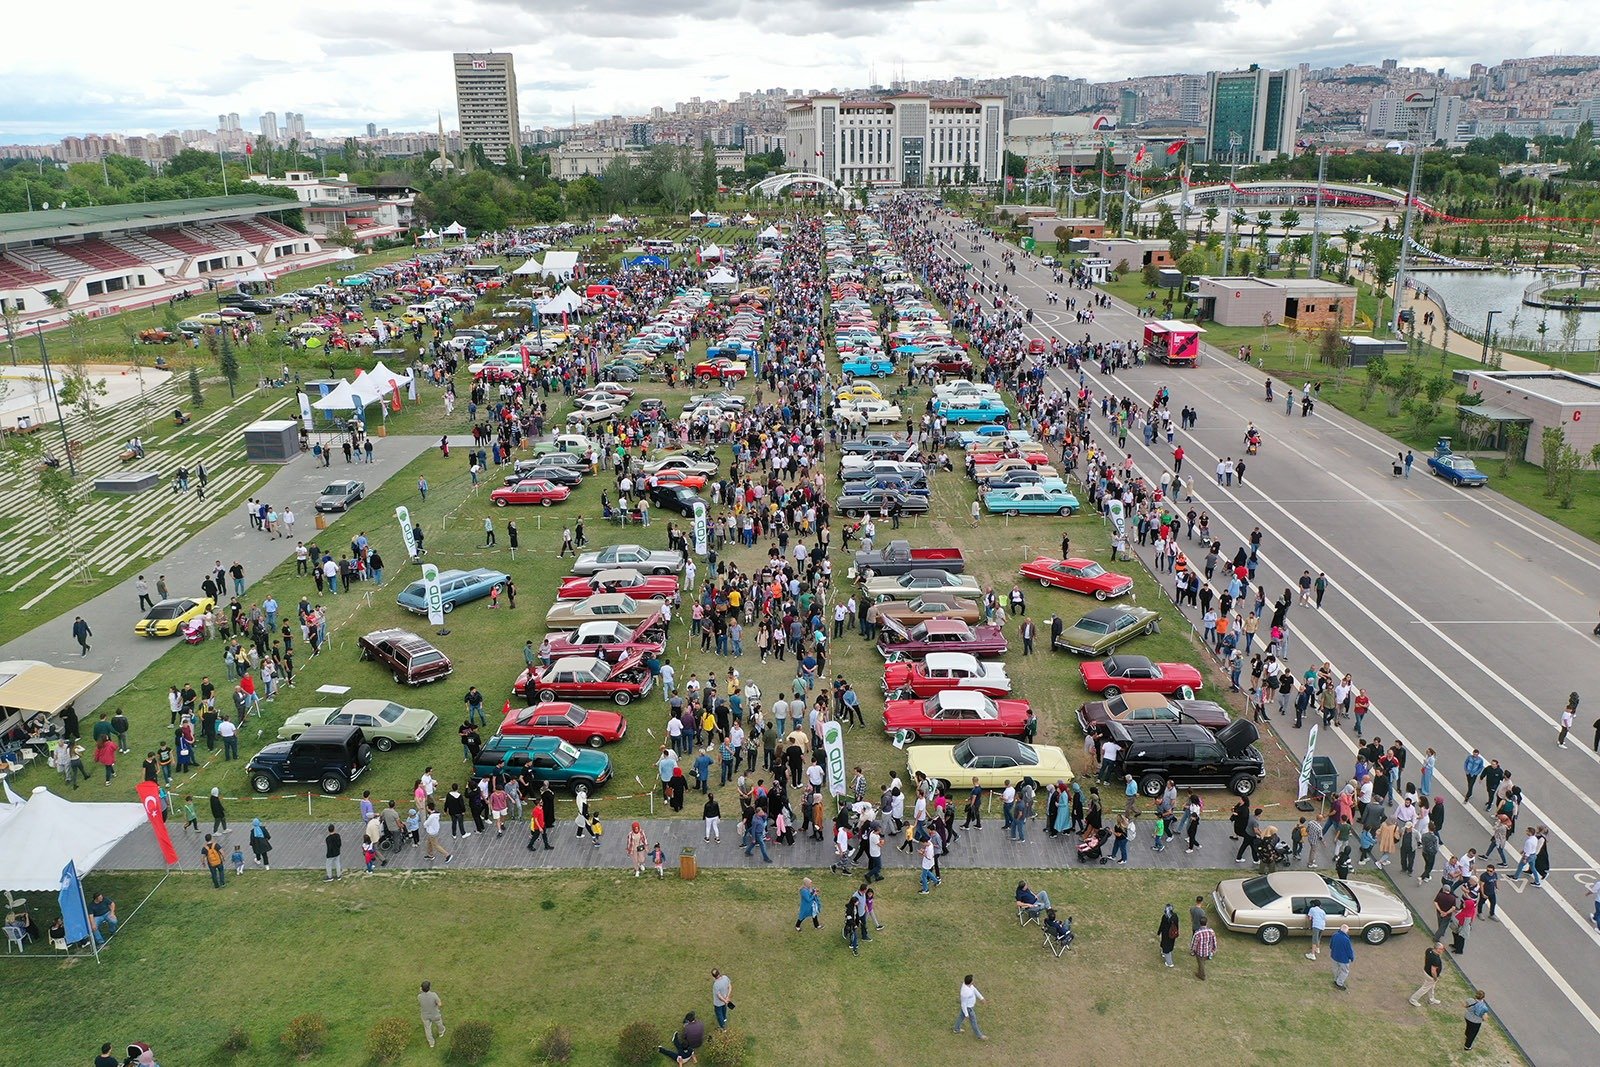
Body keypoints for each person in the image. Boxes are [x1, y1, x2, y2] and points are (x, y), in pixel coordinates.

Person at [1411, 941, 1445, 1007]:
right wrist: (1435, 978)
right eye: (1441, 949)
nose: (1442, 950)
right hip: (1431, 976)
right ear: (1437, 949)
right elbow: (1433, 971)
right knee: (1424, 988)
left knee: (1431, 987)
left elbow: (1426, 958)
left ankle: (1431, 1000)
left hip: (1426, 971)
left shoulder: (1429, 950)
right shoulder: (1436, 959)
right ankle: (1413, 999)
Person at [953, 975, 986, 1040]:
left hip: (968, 1007)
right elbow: (963, 1004)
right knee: (973, 1021)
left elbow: (974, 990)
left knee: (961, 1017)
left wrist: (981, 998)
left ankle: (956, 1029)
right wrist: (966, 1014)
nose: (974, 980)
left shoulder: (969, 986)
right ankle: (979, 1035)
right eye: (973, 980)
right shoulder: (965, 992)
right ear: (970, 982)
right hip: (968, 1009)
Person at [418, 981, 445, 1048]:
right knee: (439, 1023)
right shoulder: (433, 995)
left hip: (425, 1015)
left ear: (421, 988)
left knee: (427, 1029)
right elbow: (440, 1004)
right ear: (429, 988)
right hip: (434, 1014)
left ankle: (431, 1043)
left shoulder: (419, 996)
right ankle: (441, 1032)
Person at [1329, 924, 1355, 990]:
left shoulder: (1334, 935)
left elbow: (1331, 945)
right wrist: (1351, 958)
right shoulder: (1346, 940)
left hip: (1334, 956)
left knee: (1335, 969)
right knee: (1344, 971)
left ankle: (1335, 980)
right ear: (1346, 931)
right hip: (1343, 959)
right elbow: (1349, 951)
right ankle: (1339, 983)